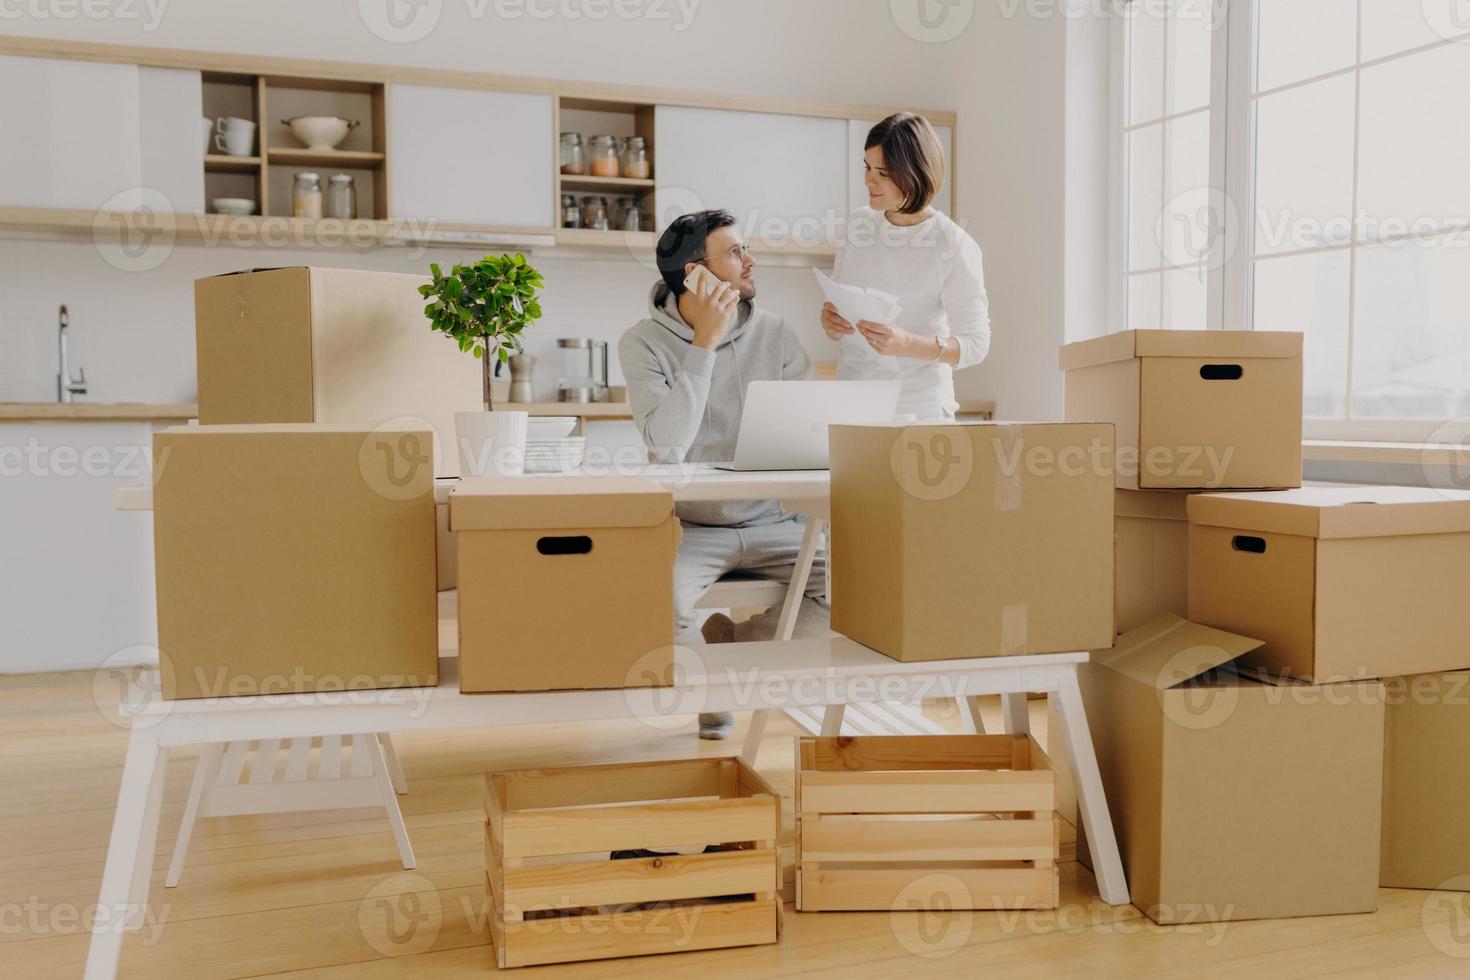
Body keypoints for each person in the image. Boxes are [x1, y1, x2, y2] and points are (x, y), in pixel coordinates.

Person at [619, 209, 830, 740]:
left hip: (774, 520)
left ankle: (729, 649)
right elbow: (666, 447)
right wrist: (704, 346)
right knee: (652, 603)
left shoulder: (776, 334)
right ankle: (713, 695)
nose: (750, 261)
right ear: (695, 273)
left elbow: (810, 432)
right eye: (735, 253)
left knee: (861, 590)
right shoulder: (641, 343)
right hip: (690, 527)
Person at [821, 112, 991, 420]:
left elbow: (975, 345)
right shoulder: (858, 225)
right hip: (852, 405)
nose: (868, 180)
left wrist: (907, 344)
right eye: (867, 167)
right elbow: (840, 313)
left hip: (919, 411)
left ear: (915, 173)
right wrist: (832, 323)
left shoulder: (952, 245)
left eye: (883, 173)